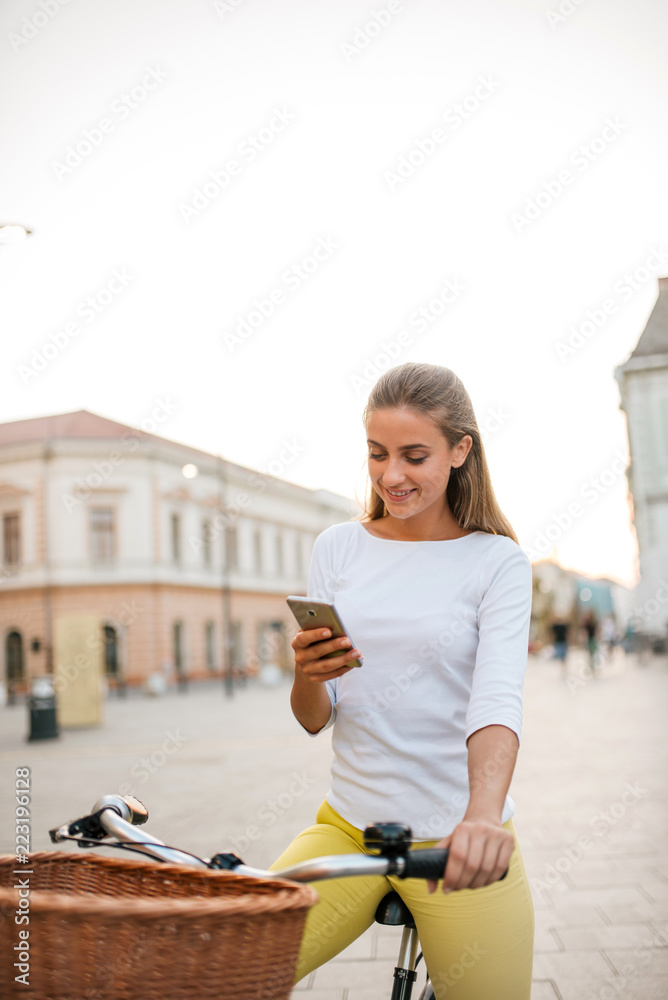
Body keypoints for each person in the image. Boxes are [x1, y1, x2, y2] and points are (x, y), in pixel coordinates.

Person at [269, 362, 534, 1000]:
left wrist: (482, 819)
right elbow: (313, 717)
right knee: (221, 968)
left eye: (415, 455)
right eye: (377, 454)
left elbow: (496, 700)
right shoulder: (337, 547)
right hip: (348, 827)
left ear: (460, 451)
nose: (392, 475)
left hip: (455, 836)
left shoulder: (497, 561)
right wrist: (307, 672)